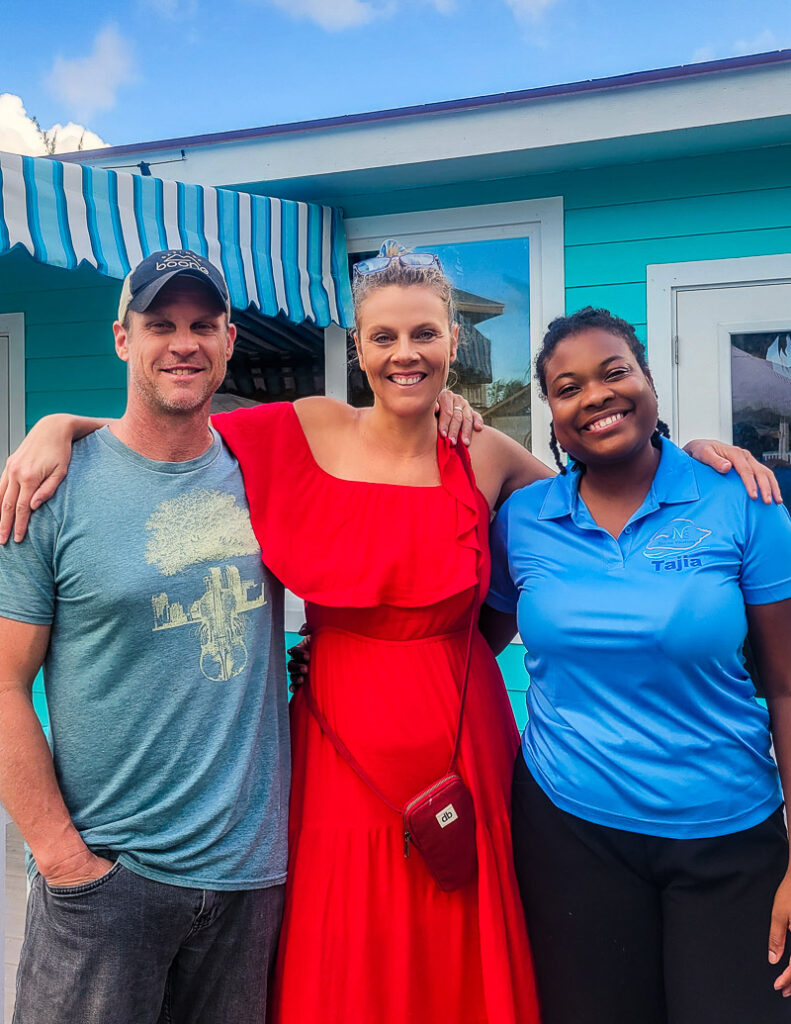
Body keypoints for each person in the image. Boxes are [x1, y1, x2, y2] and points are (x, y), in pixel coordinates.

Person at [1, 250, 778, 1023]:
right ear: (359, 347)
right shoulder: (301, 428)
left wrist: (700, 456)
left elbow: (603, 486)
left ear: (451, 344)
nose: (405, 354)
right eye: (382, 337)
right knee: (347, 970)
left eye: (424, 334)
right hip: (338, 757)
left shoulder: (484, 452)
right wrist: (60, 427)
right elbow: (171, 426)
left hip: (462, 747)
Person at [0, 248, 475, 1024]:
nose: (182, 343)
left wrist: (454, 410)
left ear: (228, 342)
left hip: (248, 880)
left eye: (202, 325)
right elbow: (3, 684)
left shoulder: (271, 467)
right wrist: (64, 861)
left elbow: (392, 457)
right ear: (122, 338)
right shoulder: (50, 489)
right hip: (108, 875)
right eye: (160, 325)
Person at [481, 307, 791, 1024]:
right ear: (553, 417)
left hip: (729, 835)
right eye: (567, 387)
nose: (594, 396)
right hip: (568, 833)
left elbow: (785, 685)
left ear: (647, 381)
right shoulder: (524, 521)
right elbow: (468, 641)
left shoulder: (743, 501)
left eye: (613, 371)